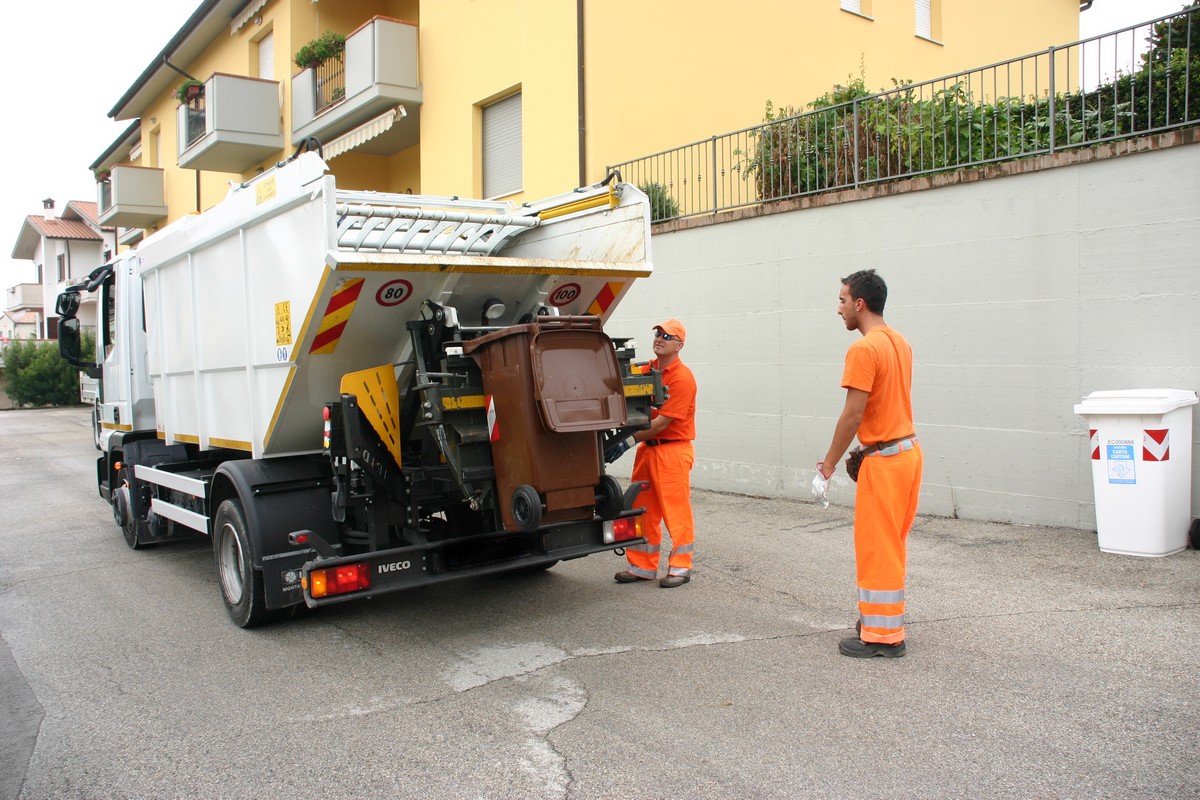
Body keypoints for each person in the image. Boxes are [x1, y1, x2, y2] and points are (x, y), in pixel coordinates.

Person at [813, 270, 922, 658]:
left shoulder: (863, 350)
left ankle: (882, 637)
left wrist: (827, 465)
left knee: (877, 548)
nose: (838, 308)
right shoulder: (899, 342)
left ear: (859, 304)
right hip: (907, 452)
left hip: (886, 463)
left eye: (842, 300)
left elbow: (853, 415)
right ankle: (879, 618)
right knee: (892, 544)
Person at [612, 319, 697, 588]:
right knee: (642, 511)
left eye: (667, 336)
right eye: (658, 334)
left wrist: (626, 442)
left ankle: (681, 568)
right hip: (648, 451)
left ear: (679, 345)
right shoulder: (647, 369)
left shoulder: (682, 378)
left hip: (672, 451)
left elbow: (662, 423)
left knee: (675, 511)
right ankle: (641, 566)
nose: (660, 338)